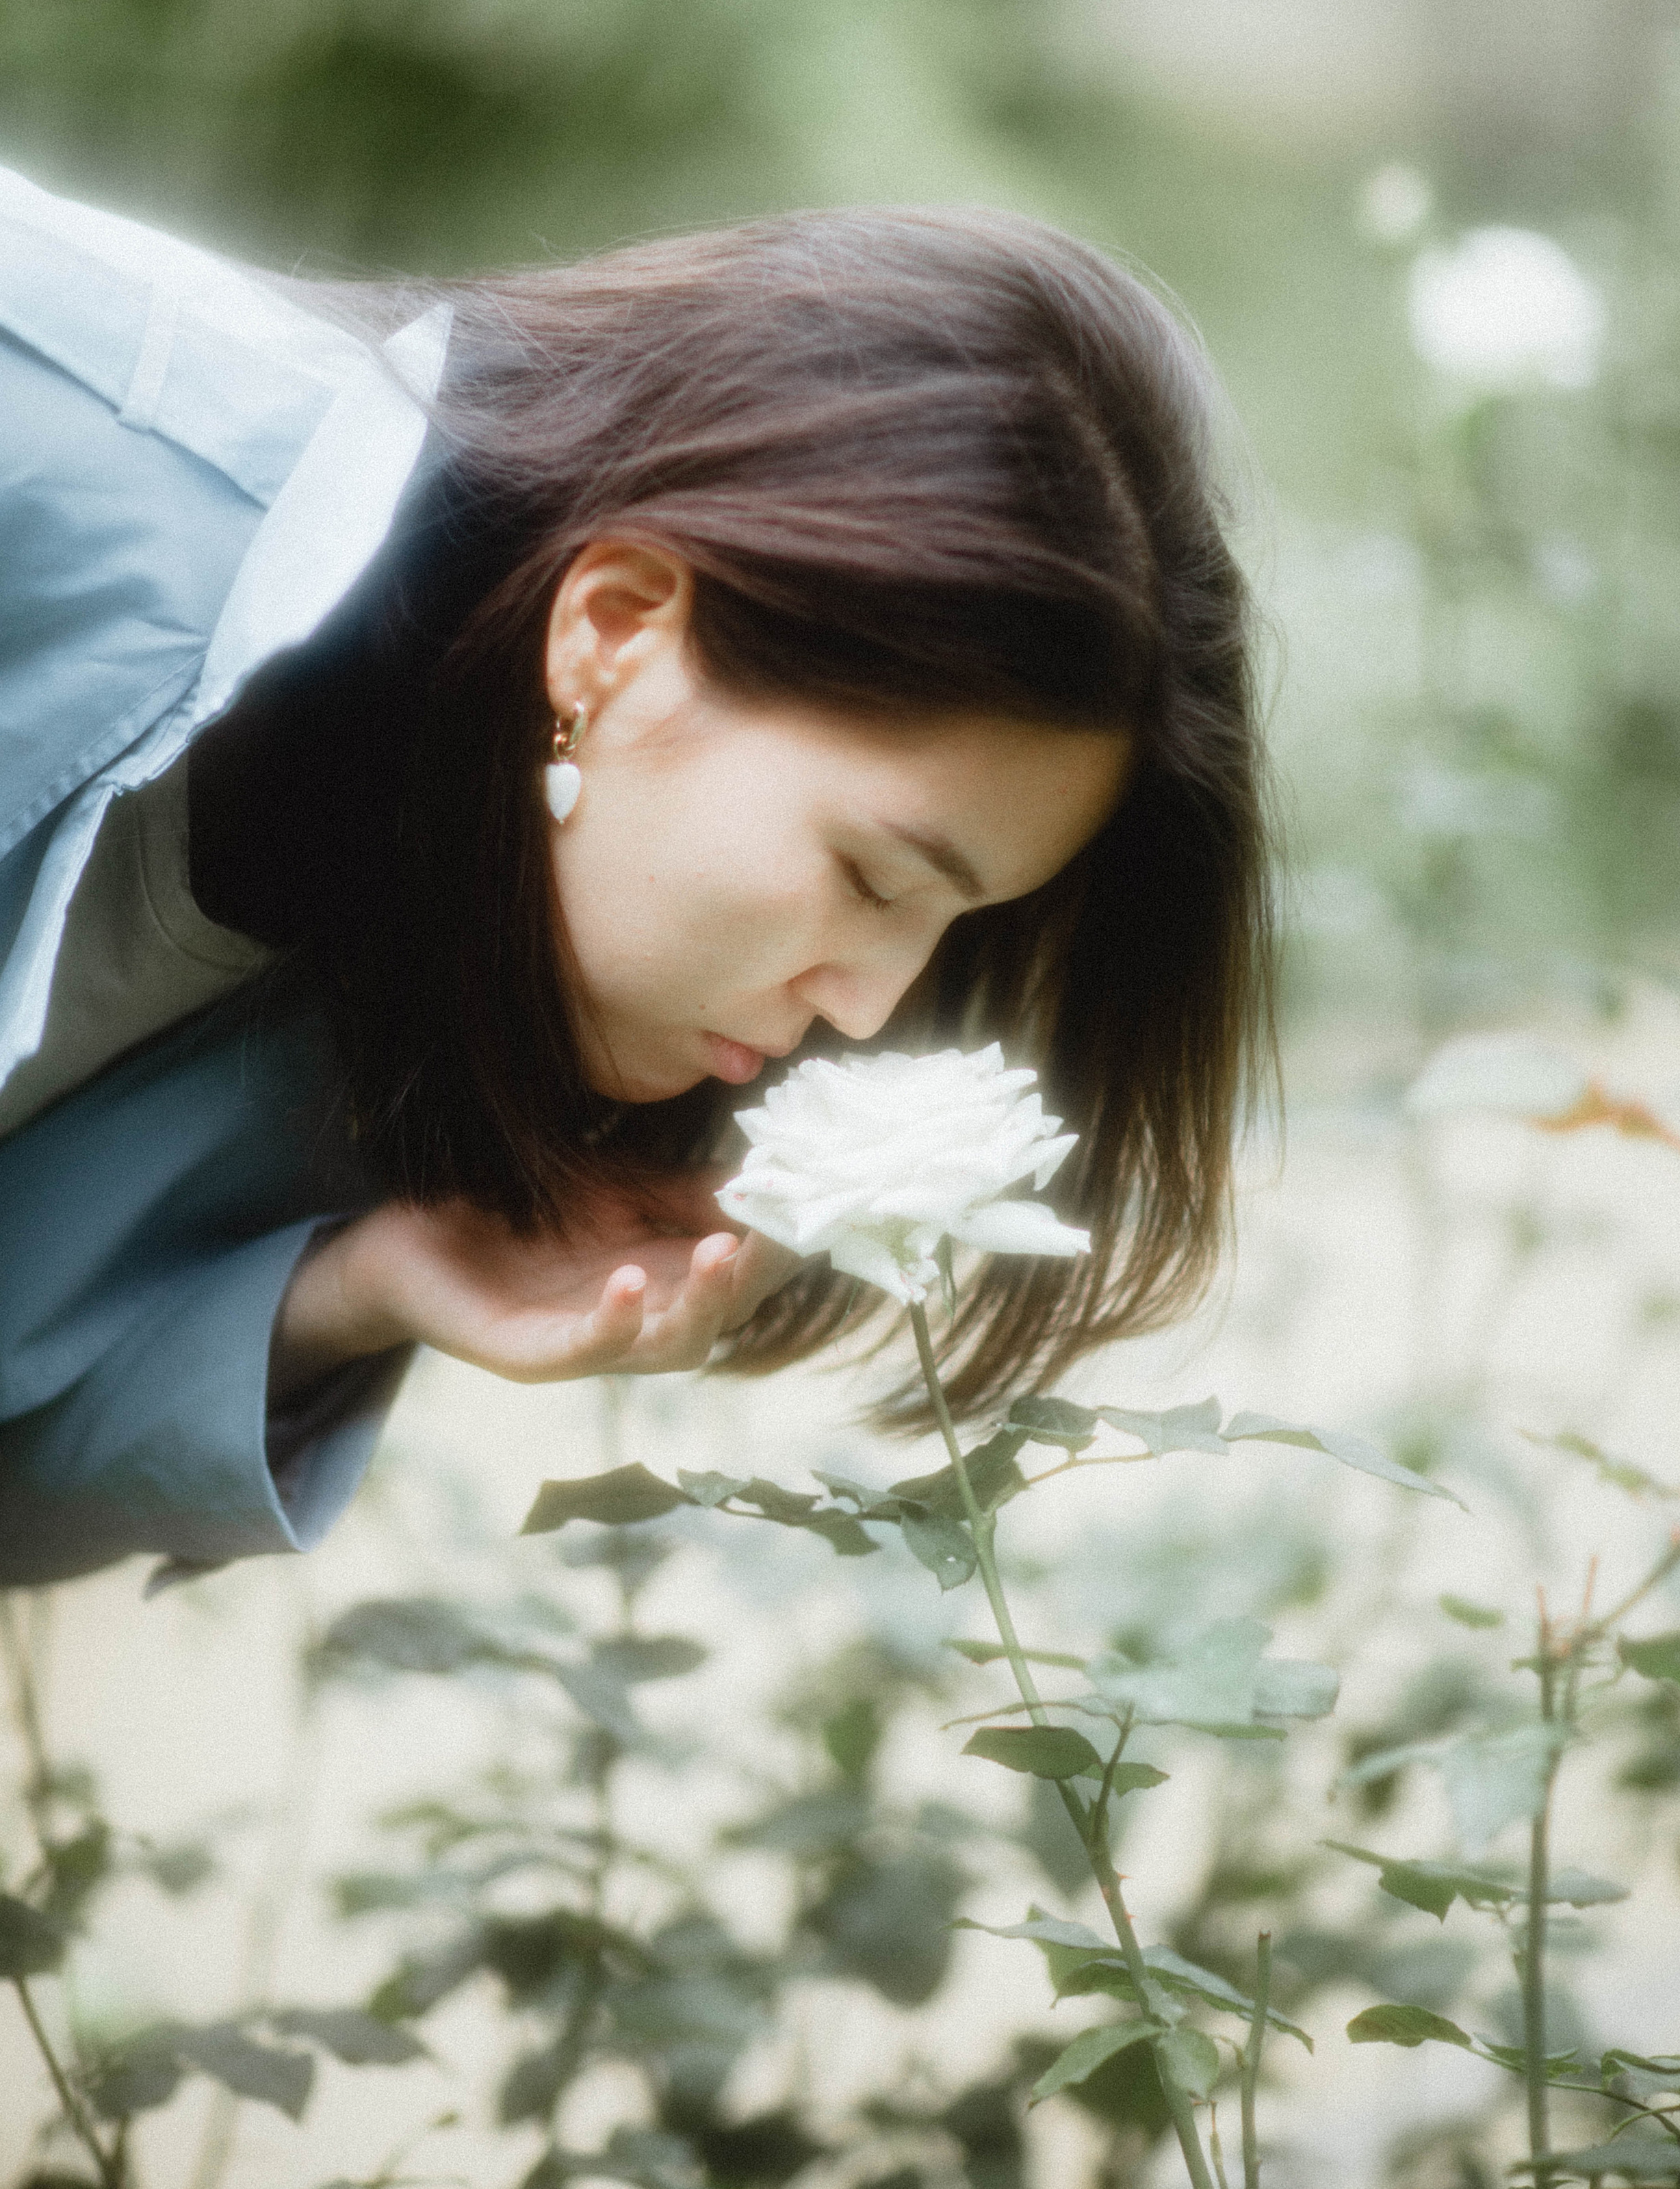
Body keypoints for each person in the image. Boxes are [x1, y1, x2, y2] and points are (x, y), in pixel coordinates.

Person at [0, 164, 1275, 1588]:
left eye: (954, 921)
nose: (865, 1009)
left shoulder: (482, 946)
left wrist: (347, 1293)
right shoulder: (53, 428)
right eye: (869, 876)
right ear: (613, 631)